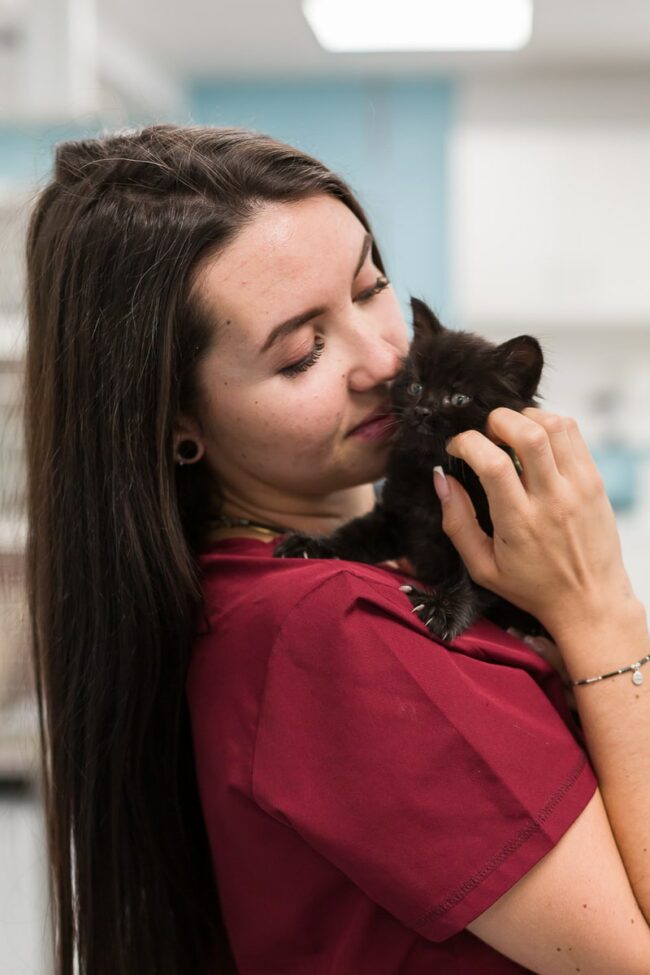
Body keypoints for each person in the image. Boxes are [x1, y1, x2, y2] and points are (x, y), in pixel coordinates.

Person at [23, 123, 650, 975]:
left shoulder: (284, 579)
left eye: (370, 286)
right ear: (175, 419)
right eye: (302, 352)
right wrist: (602, 607)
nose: (384, 360)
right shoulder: (333, 629)